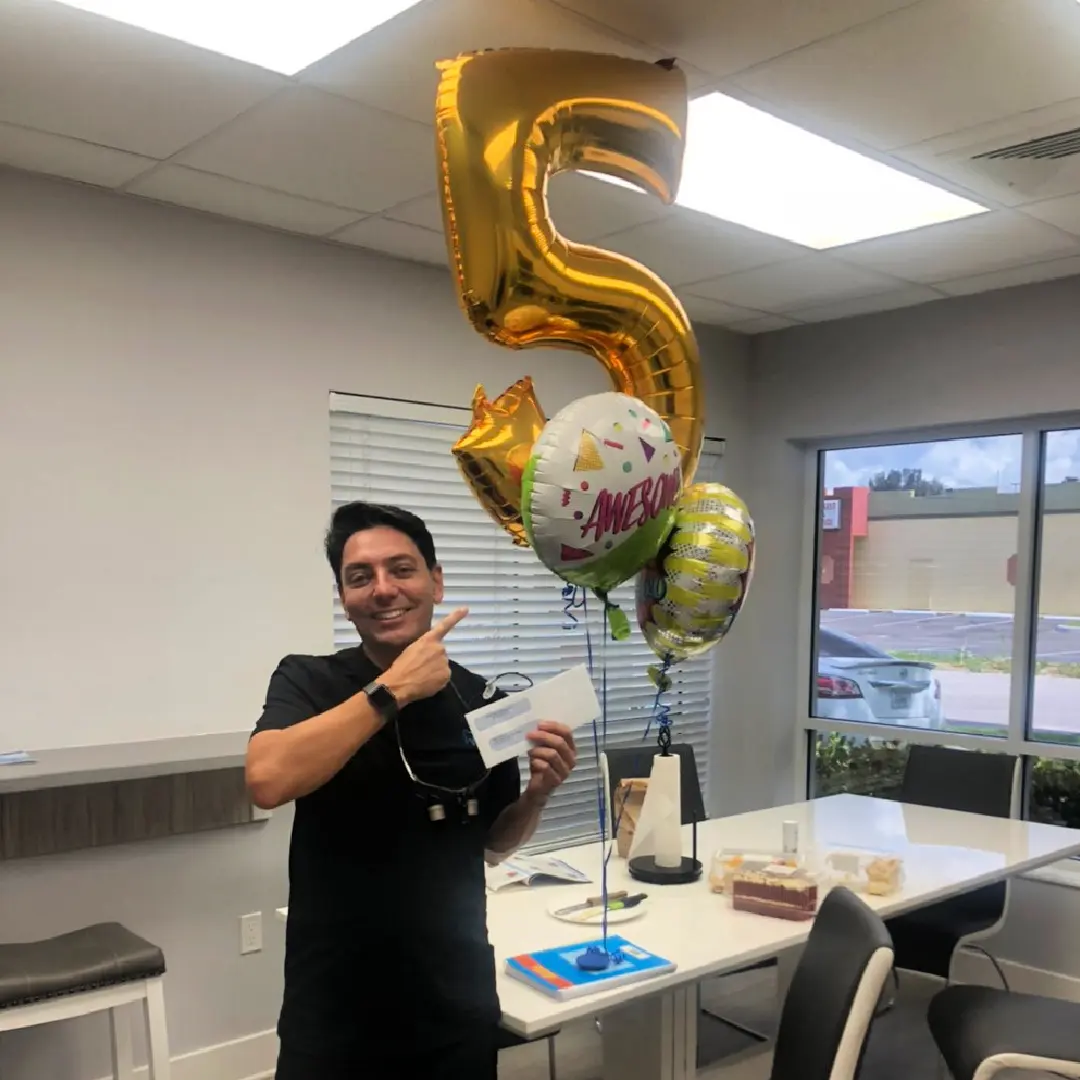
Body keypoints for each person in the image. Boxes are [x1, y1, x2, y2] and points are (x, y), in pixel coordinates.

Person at [246, 501, 578, 1080]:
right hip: (335, 1011)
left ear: (436, 581)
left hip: (455, 1004)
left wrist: (538, 796)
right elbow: (267, 781)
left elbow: (493, 845)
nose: (382, 589)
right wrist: (392, 688)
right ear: (343, 597)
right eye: (360, 576)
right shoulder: (308, 680)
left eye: (401, 569)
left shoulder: (484, 702)